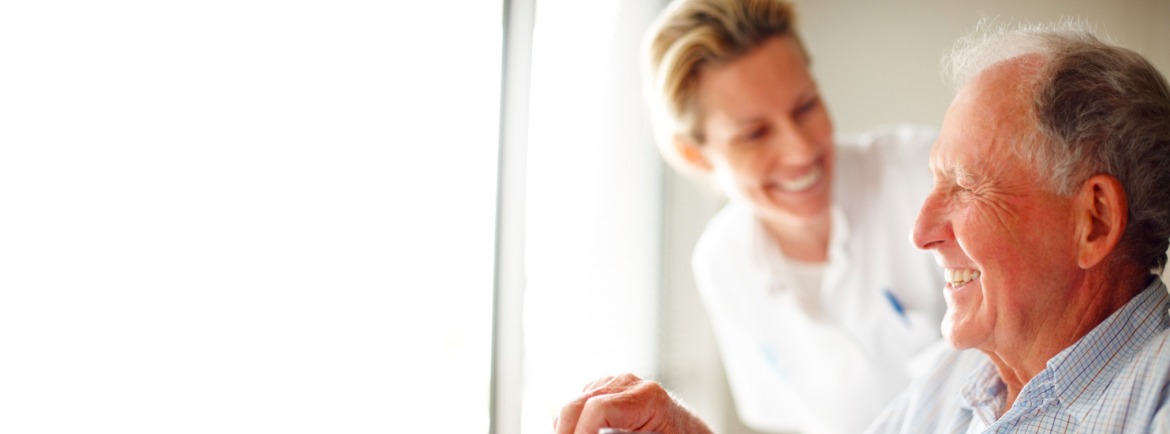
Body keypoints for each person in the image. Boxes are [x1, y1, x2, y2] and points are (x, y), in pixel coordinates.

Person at [553, 21, 1170, 434]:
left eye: (963, 185)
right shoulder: (962, 379)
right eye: (754, 132)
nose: (920, 230)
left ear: (1093, 221)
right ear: (698, 157)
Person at [641, 1, 945, 432]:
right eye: (754, 134)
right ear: (695, 154)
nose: (801, 149)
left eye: (805, 107)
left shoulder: (924, 176)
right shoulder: (722, 262)